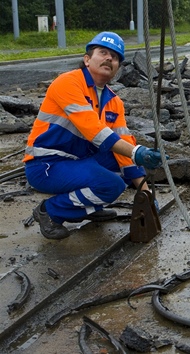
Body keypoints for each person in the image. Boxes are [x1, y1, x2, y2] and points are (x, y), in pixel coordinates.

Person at [23, 31, 168, 240]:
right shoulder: (68, 83)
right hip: (46, 165)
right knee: (112, 185)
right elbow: (94, 131)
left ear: (117, 68)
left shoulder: (113, 101)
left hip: (76, 160)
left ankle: (90, 205)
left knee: (122, 162)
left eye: (115, 57)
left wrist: (146, 191)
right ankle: (50, 211)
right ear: (87, 59)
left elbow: (124, 146)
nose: (110, 58)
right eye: (103, 52)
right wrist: (138, 152)